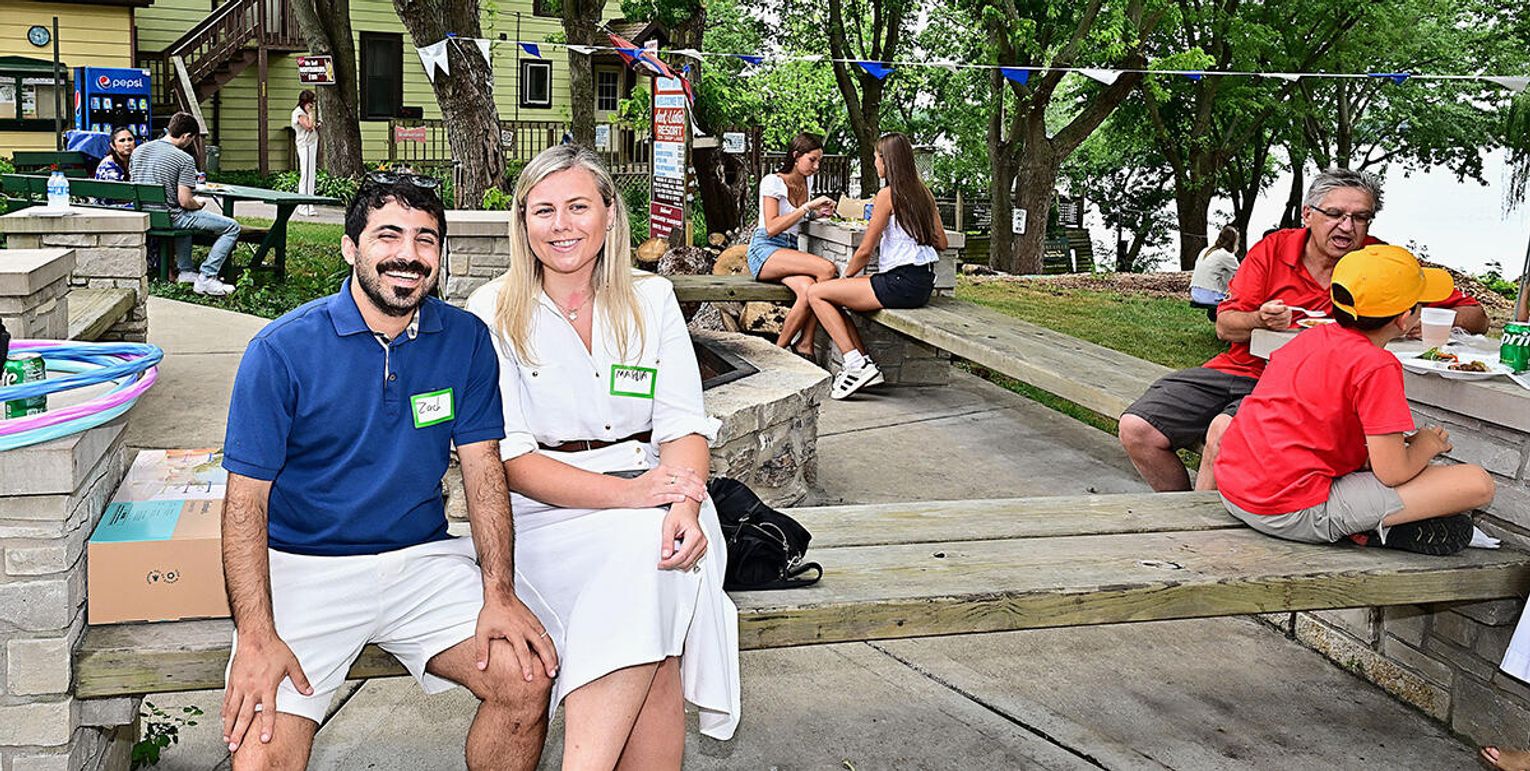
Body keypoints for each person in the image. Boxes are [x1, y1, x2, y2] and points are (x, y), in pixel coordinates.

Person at [219, 175, 555, 769]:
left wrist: (498, 593)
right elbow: (245, 503)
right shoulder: (280, 351)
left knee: (525, 678)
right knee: (263, 749)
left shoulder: (465, 340)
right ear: (350, 247)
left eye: (426, 239)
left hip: (421, 560)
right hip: (305, 567)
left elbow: (483, 473)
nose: (409, 254)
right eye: (389, 235)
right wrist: (255, 634)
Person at [465, 144, 740, 767]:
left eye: (578, 206)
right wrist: (635, 497)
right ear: (522, 222)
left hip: (660, 492)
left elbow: (682, 425)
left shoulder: (652, 299)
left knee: (653, 562)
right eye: (543, 210)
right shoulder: (491, 310)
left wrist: (684, 505)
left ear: (610, 214)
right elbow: (511, 461)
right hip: (546, 510)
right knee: (654, 626)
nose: (560, 225)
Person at [1119, 168, 1488, 493]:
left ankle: (1203, 532)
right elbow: (1225, 326)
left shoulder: (1380, 262)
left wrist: (1425, 320)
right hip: (1239, 368)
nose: (1348, 227)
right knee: (1137, 428)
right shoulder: (1274, 248)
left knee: (1225, 433)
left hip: (1302, 387)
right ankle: (1180, 515)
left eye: (1361, 217)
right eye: (1335, 214)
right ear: (1308, 214)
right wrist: (1259, 319)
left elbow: (1477, 316)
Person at [1213, 243, 1494, 556]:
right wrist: (1426, 445)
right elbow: (1392, 473)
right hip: (1287, 511)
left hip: (1235, 490)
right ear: (1405, 319)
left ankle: (1381, 524)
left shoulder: (1310, 338)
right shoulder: (1377, 365)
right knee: (1476, 483)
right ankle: (1368, 530)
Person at [804, 132, 947, 400]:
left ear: (887, 161)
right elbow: (942, 241)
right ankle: (865, 364)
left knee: (816, 293)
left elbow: (865, 250)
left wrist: (844, 279)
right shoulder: (924, 193)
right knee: (834, 300)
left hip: (900, 283)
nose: (874, 163)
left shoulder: (887, 195)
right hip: (921, 283)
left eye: (876, 158)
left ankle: (854, 364)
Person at [747, 132, 838, 358]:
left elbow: (797, 219)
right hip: (765, 249)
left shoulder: (808, 181)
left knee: (809, 291)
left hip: (789, 249)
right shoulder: (773, 181)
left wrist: (818, 213)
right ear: (796, 156)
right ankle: (796, 347)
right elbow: (772, 227)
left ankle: (789, 349)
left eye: (819, 161)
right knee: (827, 269)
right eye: (812, 160)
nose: (816, 167)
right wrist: (807, 208)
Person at [131, 111, 240, 296]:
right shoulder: (184, 159)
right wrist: (198, 203)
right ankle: (207, 277)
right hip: (171, 217)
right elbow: (185, 201)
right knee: (232, 227)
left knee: (187, 217)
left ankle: (186, 271)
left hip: (146, 215)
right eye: (192, 139)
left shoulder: (139, 151)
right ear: (186, 136)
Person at [1189, 225, 1240, 306]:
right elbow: (1241, 274)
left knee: (1226, 271)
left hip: (1195, 293)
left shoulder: (1206, 250)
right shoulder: (1226, 255)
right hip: (1210, 296)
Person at [291, 90, 320, 217]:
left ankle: (308, 204)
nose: (312, 105)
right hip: (306, 145)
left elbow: (311, 126)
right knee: (307, 175)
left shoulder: (303, 112)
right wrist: (310, 113)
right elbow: (308, 126)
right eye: (310, 102)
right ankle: (304, 206)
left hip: (311, 144)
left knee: (310, 175)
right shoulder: (299, 113)